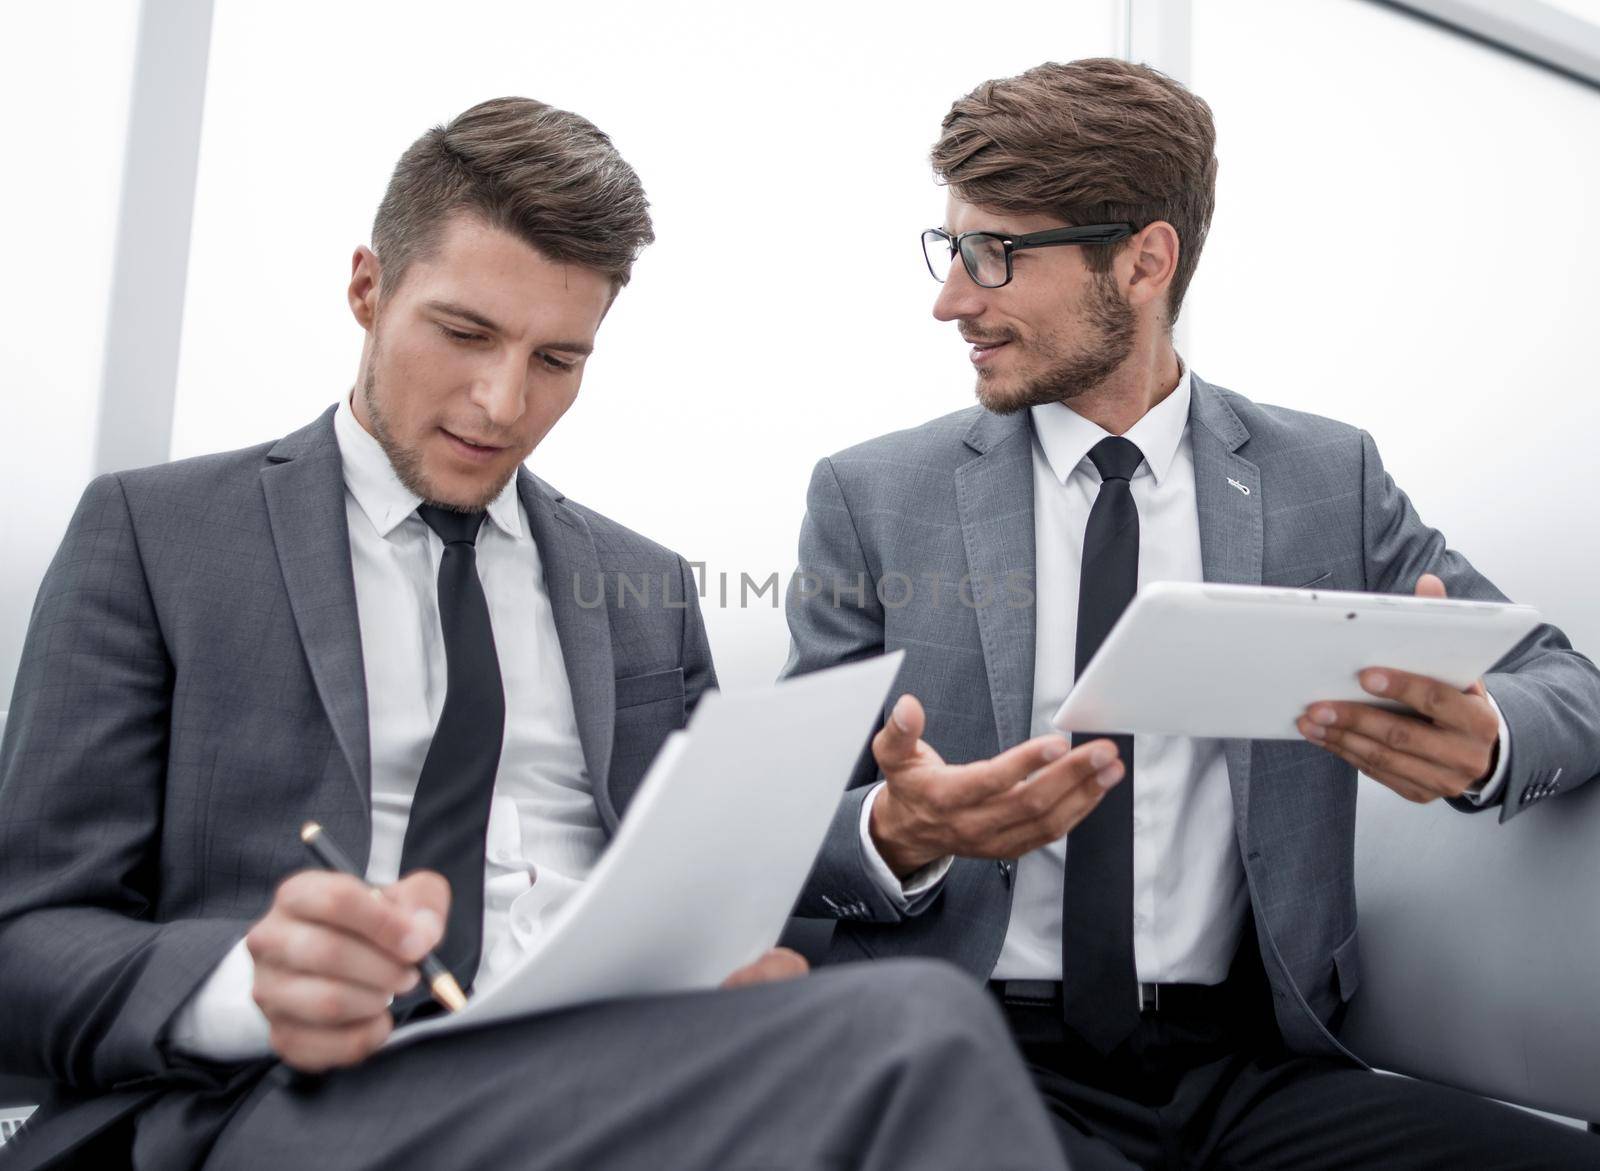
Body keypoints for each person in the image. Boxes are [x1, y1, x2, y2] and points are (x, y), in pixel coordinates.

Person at [0, 97, 1070, 1171]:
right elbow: (25, 940)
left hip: (608, 1060)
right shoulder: (159, 534)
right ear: (368, 289)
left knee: (892, 1038)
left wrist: (785, 929)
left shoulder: (639, 584)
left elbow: (713, 881)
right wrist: (250, 984)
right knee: (920, 1028)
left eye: (557, 360)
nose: (501, 402)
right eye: (465, 334)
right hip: (292, 1094)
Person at [781, 58, 1600, 1168]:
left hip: (1254, 1064)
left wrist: (1483, 740)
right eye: (951, 250)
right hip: (977, 1048)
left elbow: (1566, 685)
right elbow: (784, 839)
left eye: (994, 255)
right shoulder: (871, 496)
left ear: (1142, 262)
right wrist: (899, 829)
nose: (951, 298)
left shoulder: (1326, 477)